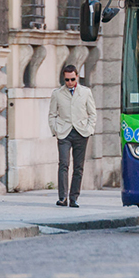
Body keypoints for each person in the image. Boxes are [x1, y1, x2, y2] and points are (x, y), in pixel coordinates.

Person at [48, 64, 96, 207]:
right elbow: (52, 114)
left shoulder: (86, 92)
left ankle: (74, 197)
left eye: (72, 79)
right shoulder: (57, 93)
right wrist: (55, 130)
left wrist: (89, 129)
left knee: (78, 167)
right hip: (64, 133)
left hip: (81, 132)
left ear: (77, 78)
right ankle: (62, 197)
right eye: (67, 80)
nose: (69, 82)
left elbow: (92, 114)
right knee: (63, 164)